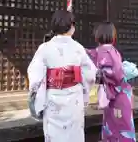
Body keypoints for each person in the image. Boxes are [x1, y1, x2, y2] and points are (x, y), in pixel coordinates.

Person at [27, 10, 97, 142]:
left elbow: (35, 76)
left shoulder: (44, 48)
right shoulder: (78, 48)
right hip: (74, 99)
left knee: (54, 136)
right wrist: (84, 90)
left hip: (52, 98)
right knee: (74, 135)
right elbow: (90, 74)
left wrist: (37, 95)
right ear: (71, 27)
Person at [86, 22, 135, 142]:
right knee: (121, 129)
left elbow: (115, 74)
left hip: (115, 96)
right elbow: (117, 73)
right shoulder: (112, 51)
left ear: (98, 35)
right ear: (113, 36)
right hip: (121, 95)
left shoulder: (100, 52)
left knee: (115, 130)